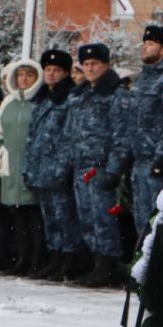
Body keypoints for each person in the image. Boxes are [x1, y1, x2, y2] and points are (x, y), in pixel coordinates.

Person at [109, 24, 163, 238]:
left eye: (151, 44)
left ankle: (156, 270)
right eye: (144, 43)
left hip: (157, 164)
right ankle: (142, 268)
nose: (144, 47)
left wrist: (160, 158)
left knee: (157, 222)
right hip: (139, 161)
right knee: (141, 223)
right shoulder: (144, 78)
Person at [64, 42, 131, 289]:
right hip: (81, 167)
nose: (90, 69)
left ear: (106, 65)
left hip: (102, 167)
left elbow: (122, 135)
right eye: (86, 65)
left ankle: (109, 267)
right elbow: (71, 131)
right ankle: (97, 265)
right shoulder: (81, 93)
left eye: (95, 64)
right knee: (87, 218)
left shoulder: (116, 93)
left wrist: (113, 169)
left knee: (104, 220)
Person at [22, 49, 83, 281]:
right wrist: (28, 168)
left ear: (66, 73)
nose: (51, 74)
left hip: (58, 169)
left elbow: (69, 138)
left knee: (65, 218)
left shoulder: (69, 97)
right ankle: (55, 258)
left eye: (56, 70)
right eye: (47, 69)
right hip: (41, 169)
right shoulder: (42, 97)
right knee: (50, 220)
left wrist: (63, 169)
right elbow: (32, 137)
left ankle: (69, 261)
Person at [0, 58, 44, 274]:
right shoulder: (8, 102)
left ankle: (36, 259)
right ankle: (22, 257)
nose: (23, 79)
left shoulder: (39, 102)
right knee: (18, 215)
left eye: (29, 75)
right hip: (11, 166)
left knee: (34, 215)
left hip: (33, 165)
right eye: (20, 75)